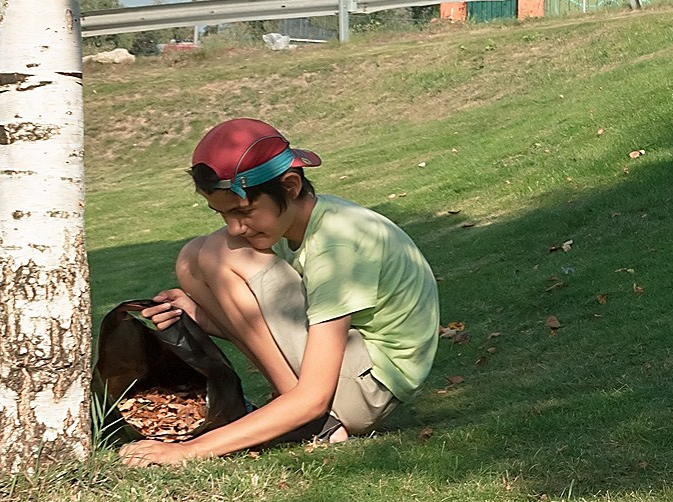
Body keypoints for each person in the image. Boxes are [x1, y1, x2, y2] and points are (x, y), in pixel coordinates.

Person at [120, 118, 439, 467]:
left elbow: (316, 395)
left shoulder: (337, 245)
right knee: (193, 257)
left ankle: (314, 422)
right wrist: (199, 317)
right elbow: (264, 325)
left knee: (219, 250)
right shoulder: (304, 222)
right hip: (351, 376)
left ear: (289, 186)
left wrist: (189, 451)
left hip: (367, 391)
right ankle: (301, 410)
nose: (235, 226)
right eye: (222, 213)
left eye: (243, 211)